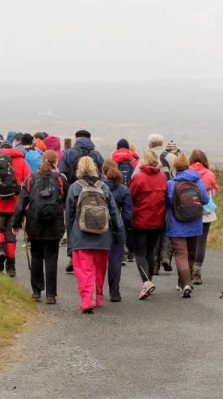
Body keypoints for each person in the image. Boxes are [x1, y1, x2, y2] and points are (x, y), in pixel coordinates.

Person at [65, 156, 125, 314]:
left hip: (81, 236)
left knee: (84, 270)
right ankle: (98, 298)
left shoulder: (74, 188)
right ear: (95, 168)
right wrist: (120, 235)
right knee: (99, 269)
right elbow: (114, 212)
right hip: (103, 236)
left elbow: (69, 215)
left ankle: (87, 301)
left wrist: (70, 238)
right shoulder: (103, 187)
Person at [12, 150, 68, 304]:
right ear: (55, 161)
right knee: (51, 258)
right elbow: (68, 199)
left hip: (34, 224)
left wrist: (16, 224)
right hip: (54, 225)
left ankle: (36, 291)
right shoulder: (60, 179)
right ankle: (51, 295)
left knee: (36, 256)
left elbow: (21, 203)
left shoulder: (30, 179)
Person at [0, 142, 31, 277]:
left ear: (1, 150)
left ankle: (0, 251)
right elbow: (30, 185)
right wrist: (27, 207)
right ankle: (11, 267)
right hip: (16, 206)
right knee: (11, 236)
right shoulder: (22, 161)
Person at [59, 130, 105, 273]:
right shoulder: (97, 154)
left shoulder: (68, 153)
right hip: (95, 193)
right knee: (93, 220)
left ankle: (73, 255)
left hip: (74, 191)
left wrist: (68, 192)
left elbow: (63, 175)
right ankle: (93, 254)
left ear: (76, 138)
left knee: (72, 223)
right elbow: (101, 175)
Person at [166, 154, 209, 298]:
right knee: (191, 254)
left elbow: (167, 202)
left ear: (175, 168)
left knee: (181, 255)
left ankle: (185, 283)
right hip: (195, 223)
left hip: (176, 225)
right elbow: (206, 199)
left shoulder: (171, 184)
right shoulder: (198, 181)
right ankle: (184, 282)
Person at [129, 150, 167, 299]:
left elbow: (130, 197)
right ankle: (148, 281)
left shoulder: (138, 178)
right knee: (150, 252)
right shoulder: (163, 177)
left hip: (140, 220)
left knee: (140, 253)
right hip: (157, 221)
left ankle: (146, 282)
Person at [102, 161, 133, 302]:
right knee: (115, 260)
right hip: (116, 229)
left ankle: (97, 291)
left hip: (98, 228)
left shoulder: (99, 188)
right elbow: (128, 215)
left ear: (104, 172)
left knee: (99, 261)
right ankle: (114, 292)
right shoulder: (124, 190)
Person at [189, 149, 220, 285]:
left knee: (189, 242)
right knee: (201, 242)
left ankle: (187, 270)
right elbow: (213, 192)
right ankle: (197, 272)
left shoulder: (186, 173)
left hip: (188, 212)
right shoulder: (210, 174)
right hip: (206, 213)